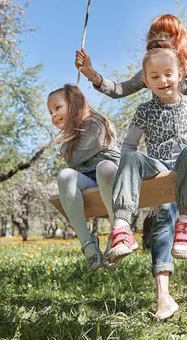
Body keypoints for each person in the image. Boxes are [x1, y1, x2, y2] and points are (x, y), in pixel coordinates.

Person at [76, 15, 187, 318]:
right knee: (162, 222)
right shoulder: (153, 69)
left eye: (167, 33)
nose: (159, 37)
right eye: (155, 32)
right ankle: (163, 296)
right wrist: (91, 73)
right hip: (160, 161)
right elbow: (120, 90)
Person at [47, 84, 120, 270]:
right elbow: (70, 164)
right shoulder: (74, 133)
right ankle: (87, 243)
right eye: (50, 112)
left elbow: (72, 158)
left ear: (74, 103)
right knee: (65, 176)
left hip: (111, 178)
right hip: (89, 180)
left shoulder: (95, 124)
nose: (53, 115)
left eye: (58, 108)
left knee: (104, 167)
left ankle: (117, 233)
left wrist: (68, 140)